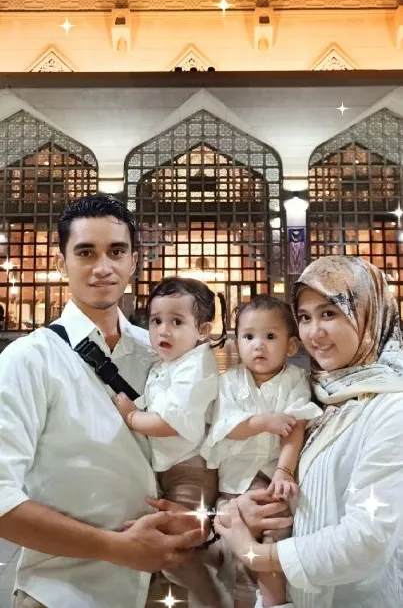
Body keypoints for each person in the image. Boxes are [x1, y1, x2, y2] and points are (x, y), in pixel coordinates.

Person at [0, 195, 204, 608]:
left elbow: (205, 448)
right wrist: (117, 547)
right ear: (62, 264)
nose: (103, 267)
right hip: (66, 591)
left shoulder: (161, 353)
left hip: (172, 585)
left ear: (134, 261)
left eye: (116, 251)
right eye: (85, 252)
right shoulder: (29, 360)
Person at [215, 256, 403, 608]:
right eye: (304, 317)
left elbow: (368, 537)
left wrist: (257, 554)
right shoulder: (319, 393)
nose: (314, 332)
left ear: (369, 313)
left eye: (330, 313)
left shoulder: (392, 408)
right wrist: (244, 508)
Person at [114, 276, 229, 608]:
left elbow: (171, 423)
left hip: (190, 471)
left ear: (203, 330)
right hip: (169, 467)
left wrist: (132, 416)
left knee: (178, 544)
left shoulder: (196, 366)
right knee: (175, 541)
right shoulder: (170, 362)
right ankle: (202, 576)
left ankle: (212, 598)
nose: (163, 330)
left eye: (176, 322)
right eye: (156, 321)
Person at [202, 295, 322, 608]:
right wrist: (262, 421)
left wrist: (284, 470)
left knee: (274, 546)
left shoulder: (295, 380)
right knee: (232, 558)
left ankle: (274, 603)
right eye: (249, 336)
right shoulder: (227, 382)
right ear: (236, 341)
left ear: (292, 346)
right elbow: (225, 427)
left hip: (272, 485)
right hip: (233, 487)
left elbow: (296, 427)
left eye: (270, 336)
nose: (259, 345)